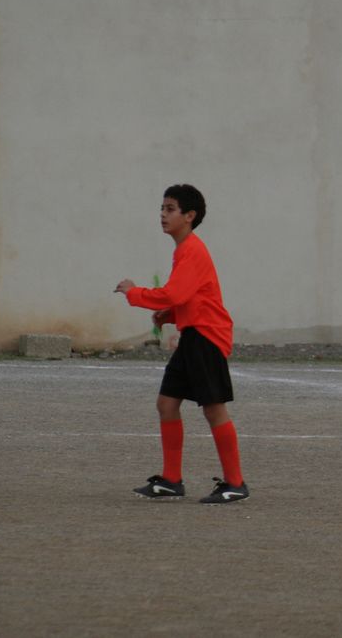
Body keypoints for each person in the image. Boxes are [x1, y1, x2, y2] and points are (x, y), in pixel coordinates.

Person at [114, 184, 249, 504]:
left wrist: (134, 292)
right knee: (167, 404)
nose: (163, 214)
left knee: (214, 409)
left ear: (190, 216)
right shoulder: (184, 250)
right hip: (193, 335)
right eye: (162, 208)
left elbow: (175, 293)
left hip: (207, 337)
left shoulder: (193, 250)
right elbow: (190, 296)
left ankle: (235, 483)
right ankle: (171, 481)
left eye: (170, 209)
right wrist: (170, 315)